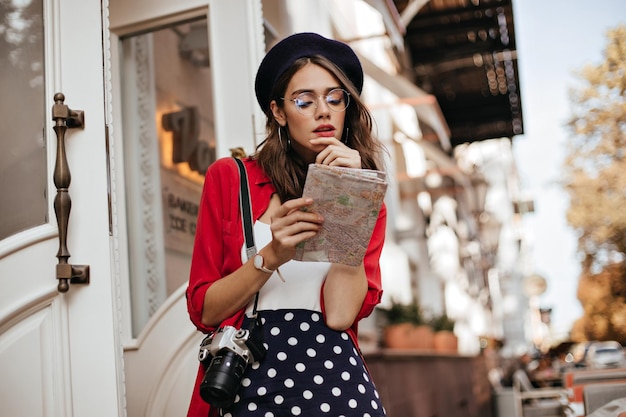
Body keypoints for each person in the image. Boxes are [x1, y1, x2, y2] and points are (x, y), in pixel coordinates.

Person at [186, 32, 388, 417]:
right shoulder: (232, 179)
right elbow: (205, 310)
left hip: (335, 381)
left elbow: (340, 316)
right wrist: (272, 255)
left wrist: (353, 198)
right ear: (279, 112)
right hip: (249, 374)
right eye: (304, 101)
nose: (323, 111)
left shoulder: (368, 197)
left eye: (335, 98)